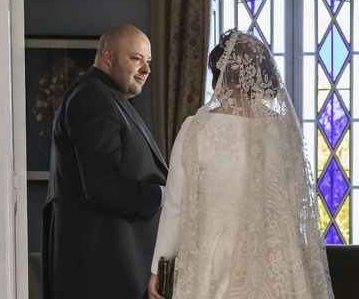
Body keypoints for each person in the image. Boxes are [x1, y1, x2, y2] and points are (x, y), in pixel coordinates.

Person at [148, 30, 334, 299]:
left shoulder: (196, 129)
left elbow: (176, 206)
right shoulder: (281, 131)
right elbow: (295, 204)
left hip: (212, 259)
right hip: (273, 259)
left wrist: (159, 267)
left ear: (218, 78)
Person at [42, 23, 168, 299]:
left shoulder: (106, 96)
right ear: (108, 56)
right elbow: (102, 185)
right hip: (100, 273)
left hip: (110, 270)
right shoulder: (92, 97)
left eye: (148, 61)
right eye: (136, 58)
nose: (146, 69)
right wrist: (161, 196)